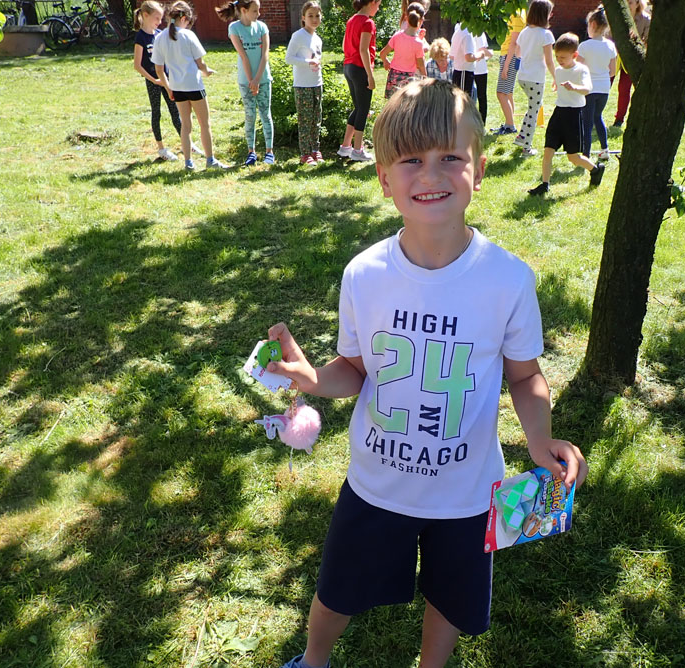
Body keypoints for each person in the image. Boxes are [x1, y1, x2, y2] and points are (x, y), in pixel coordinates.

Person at [269, 78, 587, 668]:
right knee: (338, 587)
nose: (431, 175)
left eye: (450, 158)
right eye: (411, 160)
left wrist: (540, 439)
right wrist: (313, 380)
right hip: (376, 484)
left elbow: (524, 377)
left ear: (479, 170)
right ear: (383, 178)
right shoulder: (364, 275)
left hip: (466, 492)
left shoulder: (508, 280)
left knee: (449, 596)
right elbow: (356, 370)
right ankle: (312, 660)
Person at [152, 1, 228, 171]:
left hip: (177, 88)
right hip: (194, 86)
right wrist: (207, 71)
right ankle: (210, 160)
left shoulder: (160, 38)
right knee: (204, 124)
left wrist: (168, 88)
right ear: (184, 18)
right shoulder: (188, 35)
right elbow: (201, 64)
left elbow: (159, 70)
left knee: (185, 126)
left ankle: (188, 162)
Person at [527, 33, 606, 197]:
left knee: (573, 157)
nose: (559, 60)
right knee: (548, 151)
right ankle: (545, 184)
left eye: (563, 57)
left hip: (574, 115)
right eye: (557, 56)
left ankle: (595, 170)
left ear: (574, 55)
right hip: (559, 114)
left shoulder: (581, 70)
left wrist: (574, 87)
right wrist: (557, 84)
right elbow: (559, 81)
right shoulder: (558, 70)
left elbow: (587, 89)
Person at [218, 0, 275, 166]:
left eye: (259, 10)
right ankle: (251, 152)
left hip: (263, 79)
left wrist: (257, 80)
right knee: (250, 115)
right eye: (255, 11)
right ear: (243, 10)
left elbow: (265, 55)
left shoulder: (262, 27)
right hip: (245, 81)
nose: (258, 14)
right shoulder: (234, 28)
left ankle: (269, 152)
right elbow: (243, 56)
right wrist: (251, 81)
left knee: (265, 114)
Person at [132, 1, 184, 162]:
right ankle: (161, 148)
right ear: (145, 15)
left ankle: (186, 143)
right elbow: (137, 65)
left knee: (175, 110)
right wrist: (153, 80)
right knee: (157, 112)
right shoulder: (141, 37)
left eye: (161, 18)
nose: (159, 22)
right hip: (153, 82)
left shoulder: (159, 34)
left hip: (166, 79)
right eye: (156, 18)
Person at [339, 0, 382, 162]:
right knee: (363, 109)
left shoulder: (351, 20)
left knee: (358, 107)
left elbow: (344, 45)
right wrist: (370, 75)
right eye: (378, 4)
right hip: (360, 68)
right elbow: (363, 50)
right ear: (372, 2)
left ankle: (345, 147)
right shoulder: (368, 22)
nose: (378, 8)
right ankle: (357, 150)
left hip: (348, 67)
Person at [513, 0, 556, 157]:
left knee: (533, 107)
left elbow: (517, 53)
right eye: (550, 13)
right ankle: (527, 148)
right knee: (534, 111)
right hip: (536, 78)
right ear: (545, 15)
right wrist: (556, 78)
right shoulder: (546, 35)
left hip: (523, 76)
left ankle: (521, 136)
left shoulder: (525, 32)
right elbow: (549, 61)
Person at [286, 1, 325, 165]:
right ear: (303, 18)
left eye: (317, 16)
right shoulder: (298, 36)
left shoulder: (317, 39)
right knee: (305, 120)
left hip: (317, 83)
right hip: (303, 85)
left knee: (316, 119)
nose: (314, 19)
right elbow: (289, 58)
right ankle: (305, 154)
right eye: (310, 16)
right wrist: (308, 62)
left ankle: (315, 150)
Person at [577, 6, 616, 160]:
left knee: (586, 122)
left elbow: (577, 68)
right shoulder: (610, 46)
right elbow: (612, 71)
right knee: (598, 117)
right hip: (604, 88)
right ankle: (605, 149)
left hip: (589, 89)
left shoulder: (584, 46)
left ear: (592, 24)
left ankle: (585, 154)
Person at [611, 0, 650, 127]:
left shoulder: (645, 19)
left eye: (631, 2)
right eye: (626, 2)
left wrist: (636, 41)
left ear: (638, 3)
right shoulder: (616, 16)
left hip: (632, 58)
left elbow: (646, 43)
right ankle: (593, 115)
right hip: (613, 56)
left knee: (624, 88)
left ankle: (619, 119)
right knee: (604, 84)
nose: (628, 5)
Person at [378, 2, 426, 99]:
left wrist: (386, 62)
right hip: (409, 79)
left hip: (393, 76)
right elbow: (420, 65)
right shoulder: (418, 43)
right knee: (406, 106)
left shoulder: (397, 36)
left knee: (392, 105)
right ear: (421, 21)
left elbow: (382, 54)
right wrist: (425, 77)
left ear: (406, 18)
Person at [493, 7, 527, 135]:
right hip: (509, 56)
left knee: (501, 93)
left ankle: (510, 126)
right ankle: (509, 122)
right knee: (508, 93)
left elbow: (514, 43)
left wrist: (506, 65)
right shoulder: (517, 12)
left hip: (510, 56)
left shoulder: (517, 15)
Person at [471, 31, 494, 126]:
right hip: (480, 69)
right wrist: (491, 53)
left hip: (471, 68)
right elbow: (483, 50)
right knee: (482, 97)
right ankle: (481, 123)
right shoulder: (479, 32)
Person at [448, 22, 477, 93]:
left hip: (460, 72)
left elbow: (451, 55)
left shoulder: (458, 31)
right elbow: (468, 57)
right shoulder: (467, 34)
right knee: (463, 98)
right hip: (464, 72)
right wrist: (480, 55)